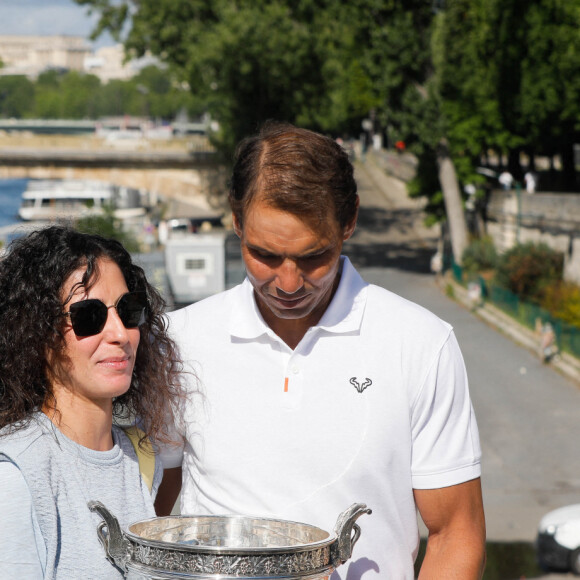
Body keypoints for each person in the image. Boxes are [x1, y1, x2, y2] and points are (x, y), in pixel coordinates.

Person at [158, 122, 486, 579]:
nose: (289, 283)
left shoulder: (421, 345)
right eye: (265, 255)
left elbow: (457, 531)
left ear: (349, 220)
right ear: (236, 221)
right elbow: (147, 509)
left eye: (314, 257)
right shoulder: (178, 341)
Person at [0, 226, 184, 578]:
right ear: (37, 332)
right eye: (89, 316)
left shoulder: (142, 457)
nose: (120, 333)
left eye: (128, 311)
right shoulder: (16, 477)